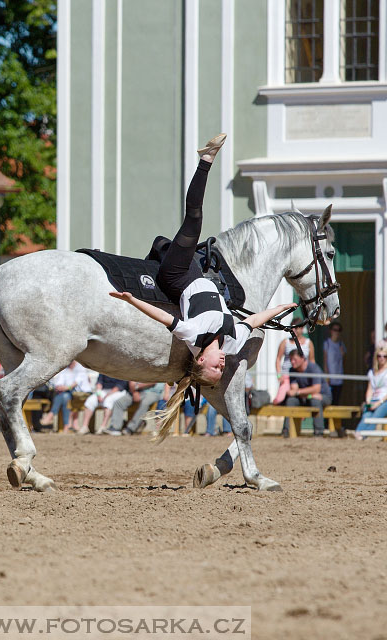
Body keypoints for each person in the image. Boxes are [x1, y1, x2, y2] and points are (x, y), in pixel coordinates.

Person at [109, 133, 297, 439]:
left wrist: (130, 299)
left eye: (214, 368)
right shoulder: (231, 342)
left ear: (200, 359)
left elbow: (161, 317)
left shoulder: (194, 334)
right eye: (221, 370)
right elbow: (253, 320)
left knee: (194, 221)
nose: (221, 364)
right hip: (201, 273)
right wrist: (282, 307)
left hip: (178, 275)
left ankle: (205, 159)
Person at [281, 349, 332, 437]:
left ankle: (318, 432)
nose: (292, 362)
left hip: (323, 396)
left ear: (302, 358)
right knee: (291, 401)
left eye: (295, 359)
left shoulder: (313, 368)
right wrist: (304, 393)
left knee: (314, 401)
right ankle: (287, 431)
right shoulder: (292, 370)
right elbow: (294, 389)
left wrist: (299, 392)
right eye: (291, 359)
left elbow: (316, 388)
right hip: (306, 397)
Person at [354, 347, 387, 438]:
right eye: (379, 356)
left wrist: (378, 403)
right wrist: (368, 401)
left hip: (385, 401)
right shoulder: (372, 372)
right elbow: (370, 389)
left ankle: (363, 435)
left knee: (375, 418)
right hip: (373, 399)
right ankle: (357, 433)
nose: (382, 358)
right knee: (366, 416)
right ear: (376, 358)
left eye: (384, 356)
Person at [274, 325, 315, 405]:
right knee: (279, 400)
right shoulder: (285, 342)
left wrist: (311, 378)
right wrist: (279, 375)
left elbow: (312, 361)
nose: (293, 330)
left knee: (303, 400)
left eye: (296, 328)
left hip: (302, 378)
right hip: (287, 376)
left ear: (302, 329)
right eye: (291, 328)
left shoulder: (308, 343)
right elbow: (278, 359)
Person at [323, 321, 346, 404]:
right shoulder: (327, 343)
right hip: (330, 377)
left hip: (339, 376)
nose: (337, 332)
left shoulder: (341, 344)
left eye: (339, 330)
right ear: (331, 331)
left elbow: (343, 360)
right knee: (329, 399)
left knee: (337, 400)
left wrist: (342, 354)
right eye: (335, 330)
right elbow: (325, 360)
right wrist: (327, 376)